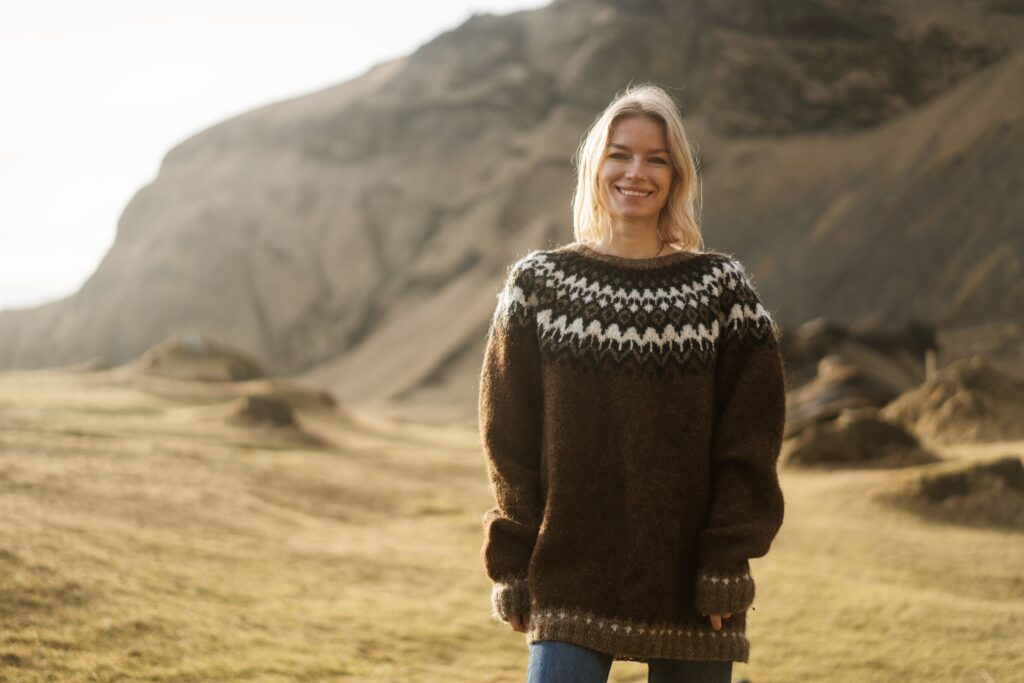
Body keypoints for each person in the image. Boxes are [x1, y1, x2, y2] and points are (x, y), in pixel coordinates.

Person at [478, 83, 787, 683]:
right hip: (569, 573)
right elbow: (508, 437)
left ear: (677, 175)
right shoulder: (539, 287)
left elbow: (749, 437)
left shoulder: (720, 290)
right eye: (620, 153)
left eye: (657, 158)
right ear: (596, 162)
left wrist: (727, 556)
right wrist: (513, 560)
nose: (636, 172)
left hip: (694, 579)